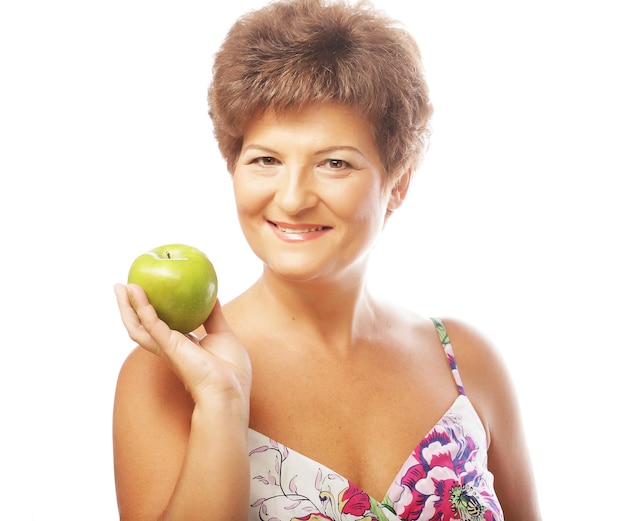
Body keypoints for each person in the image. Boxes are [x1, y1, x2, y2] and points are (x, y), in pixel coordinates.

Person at [113, 0, 542, 519]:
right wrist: (221, 405)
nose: (292, 198)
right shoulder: (169, 376)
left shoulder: (467, 364)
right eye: (266, 160)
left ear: (397, 185)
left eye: (334, 163)